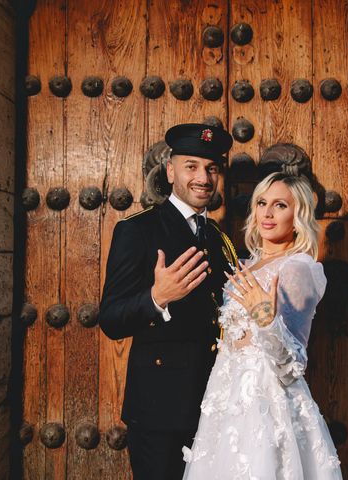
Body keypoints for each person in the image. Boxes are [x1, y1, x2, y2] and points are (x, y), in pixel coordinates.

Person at [99, 123, 238, 480]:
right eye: (191, 166)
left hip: (214, 406)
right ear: (171, 170)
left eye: (211, 168)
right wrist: (156, 298)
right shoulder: (138, 230)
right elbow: (112, 319)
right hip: (159, 410)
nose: (203, 178)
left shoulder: (221, 239)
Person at [182, 172, 343, 479]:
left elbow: (291, 365)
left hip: (267, 404)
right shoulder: (242, 264)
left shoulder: (296, 269)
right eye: (261, 203)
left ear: (298, 215)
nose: (267, 213)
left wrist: (266, 320)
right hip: (225, 399)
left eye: (280, 205)